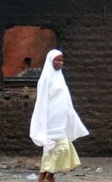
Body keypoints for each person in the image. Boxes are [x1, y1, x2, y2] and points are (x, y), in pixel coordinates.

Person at [29, 49, 89, 182]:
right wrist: (41, 122)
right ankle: (46, 176)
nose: (60, 63)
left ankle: (49, 176)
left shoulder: (60, 77)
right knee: (56, 147)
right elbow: (41, 102)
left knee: (56, 148)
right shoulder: (45, 78)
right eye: (57, 60)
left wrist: (70, 115)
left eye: (62, 60)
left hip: (60, 119)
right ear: (50, 61)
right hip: (50, 119)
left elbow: (65, 98)